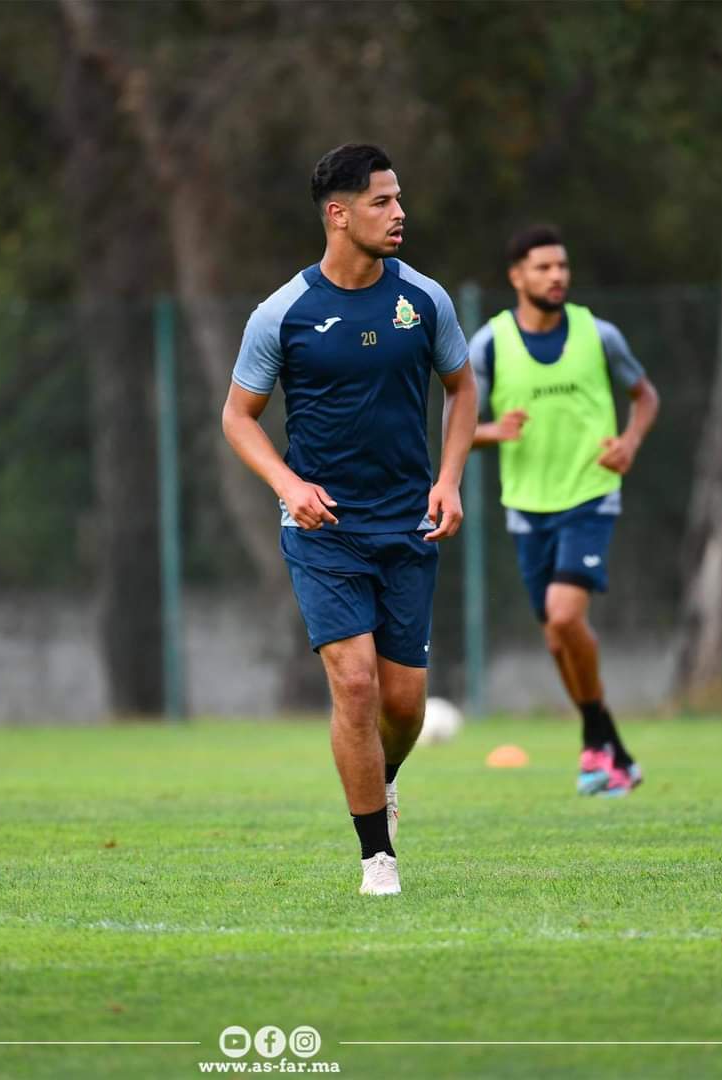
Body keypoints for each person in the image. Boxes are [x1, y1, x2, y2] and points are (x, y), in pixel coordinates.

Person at [222, 144, 476, 896]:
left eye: (398, 199)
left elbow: (463, 390)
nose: (400, 214)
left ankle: (383, 777)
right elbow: (237, 417)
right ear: (338, 214)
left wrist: (449, 481)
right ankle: (376, 859)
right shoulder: (281, 313)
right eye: (381, 202)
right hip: (322, 530)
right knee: (356, 686)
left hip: (408, 526)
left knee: (403, 707)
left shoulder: (424, 300)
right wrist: (287, 483)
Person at [466, 224, 659, 796]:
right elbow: (458, 427)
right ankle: (610, 748)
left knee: (565, 615)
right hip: (528, 507)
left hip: (590, 496)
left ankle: (598, 742)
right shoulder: (490, 344)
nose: (557, 276)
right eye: (544, 267)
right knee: (556, 637)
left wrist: (630, 443)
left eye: (562, 267)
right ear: (517, 276)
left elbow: (645, 396)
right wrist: (491, 431)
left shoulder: (599, 335)